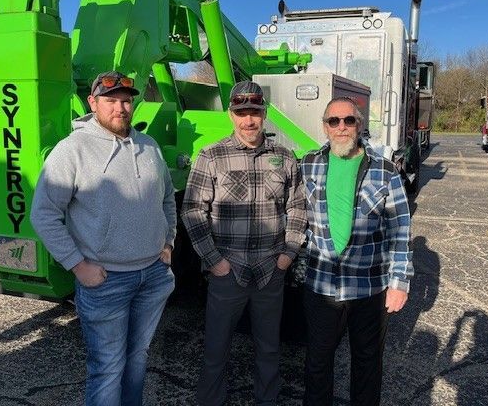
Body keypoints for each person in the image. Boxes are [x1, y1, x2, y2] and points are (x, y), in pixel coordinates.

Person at [30, 71, 176, 406]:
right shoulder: (72, 150)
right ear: (93, 102)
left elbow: (167, 199)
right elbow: (44, 214)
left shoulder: (149, 146)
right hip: (106, 281)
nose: (121, 108)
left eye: (126, 100)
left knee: (138, 358)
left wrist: (168, 241)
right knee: (108, 367)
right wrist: (77, 265)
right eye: (111, 100)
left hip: (152, 275)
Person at [181, 80, 307, 406]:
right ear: (230, 115)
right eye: (241, 113)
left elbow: (297, 207)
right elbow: (193, 210)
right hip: (227, 272)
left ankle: (267, 401)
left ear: (264, 113)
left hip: (270, 271)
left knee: (269, 348)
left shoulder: (284, 156)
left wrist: (288, 254)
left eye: (254, 112)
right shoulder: (211, 156)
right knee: (215, 348)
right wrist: (214, 261)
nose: (248, 120)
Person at [300, 97, 413, 406]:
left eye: (349, 120)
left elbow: (400, 229)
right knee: (317, 364)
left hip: (369, 288)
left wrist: (399, 283)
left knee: (366, 364)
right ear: (324, 127)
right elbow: (294, 213)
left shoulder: (385, 171)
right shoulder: (308, 164)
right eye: (333, 121)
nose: (341, 127)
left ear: (359, 125)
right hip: (321, 285)